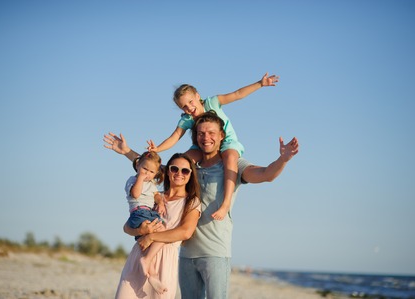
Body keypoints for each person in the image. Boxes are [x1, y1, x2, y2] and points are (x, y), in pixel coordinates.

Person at [104, 110, 299, 299]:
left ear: (222, 135)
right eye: (201, 133)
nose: (206, 137)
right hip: (185, 252)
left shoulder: (233, 166)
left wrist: (283, 159)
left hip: (215, 251)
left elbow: (265, 174)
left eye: (211, 133)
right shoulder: (188, 168)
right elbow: (154, 170)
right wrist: (128, 153)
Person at [147, 72, 279, 221]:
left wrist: (260, 84)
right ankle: (166, 195)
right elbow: (175, 136)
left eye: (190, 102)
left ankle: (226, 202)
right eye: (184, 107)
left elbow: (237, 94)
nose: (189, 108)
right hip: (202, 146)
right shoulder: (187, 119)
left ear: (197, 96)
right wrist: (157, 149)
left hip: (227, 142)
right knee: (182, 161)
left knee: (230, 158)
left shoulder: (213, 102)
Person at [106, 146, 201, 299]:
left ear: (191, 175)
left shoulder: (192, 202)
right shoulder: (153, 195)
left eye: (185, 171)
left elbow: (185, 232)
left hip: (165, 260)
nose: (179, 174)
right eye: (174, 168)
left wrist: (151, 237)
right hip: (140, 252)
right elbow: (126, 227)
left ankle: (151, 272)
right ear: (167, 171)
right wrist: (140, 231)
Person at [124, 151, 166, 283]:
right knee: (160, 233)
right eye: (144, 169)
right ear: (137, 166)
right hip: (139, 212)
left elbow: (156, 195)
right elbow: (135, 194)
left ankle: (150, 269)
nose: (147, 173)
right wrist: (140, 178)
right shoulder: (133, 180)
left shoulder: (152, 184)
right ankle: (147, 262)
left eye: (151, 172)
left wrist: (160, 202)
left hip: (149, 212)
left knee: (161, 232)